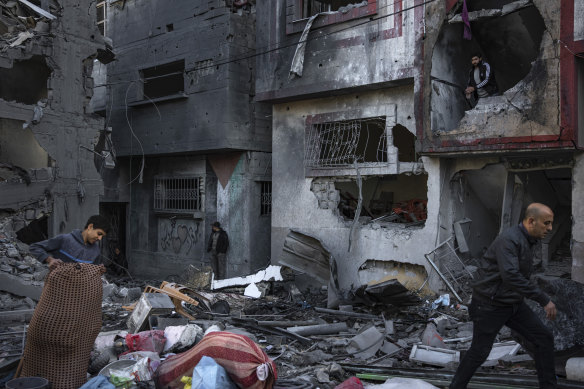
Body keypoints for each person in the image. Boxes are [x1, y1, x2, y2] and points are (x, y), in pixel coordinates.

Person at [449, 203, 557, 389]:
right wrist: (543, 299)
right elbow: (511, 276)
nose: (550, 228)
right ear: (531, 221)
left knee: (544, 338)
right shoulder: (509, 240)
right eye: (546, 223)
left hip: (512, 302)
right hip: (489, 305)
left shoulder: (528, 239)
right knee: (479, 352)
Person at [30, 215, 111, 271]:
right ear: (90, 227)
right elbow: (35, 247)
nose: (100, 238)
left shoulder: (96, 251)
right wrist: (50, 259)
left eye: (102, 236)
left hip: (78, 293)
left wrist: (99, 270)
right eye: (99, 234)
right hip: (57, 288)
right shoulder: (65, 239)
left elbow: (93, 272)